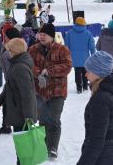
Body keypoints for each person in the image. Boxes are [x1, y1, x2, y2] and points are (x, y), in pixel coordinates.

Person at [29, 23, 72, 159]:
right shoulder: (33, 49)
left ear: (51, 36)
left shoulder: (62, 49)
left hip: (57, 91)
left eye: (44, 34)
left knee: (54, 119)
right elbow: (29, 64)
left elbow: (67, 66)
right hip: (39, 91)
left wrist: (49, 71)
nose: (41, 36)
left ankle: (53, 147)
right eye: (40, 34)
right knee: (42, 119)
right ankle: (44, 144)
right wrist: (38, 73)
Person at [77, 51, 113, 165]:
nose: (86, 75)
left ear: (98, 72)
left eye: (88, 71)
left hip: (103, 157)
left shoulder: (101, 99)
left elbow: (97, 140)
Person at [0, 38, 37, 165]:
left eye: (9, 50)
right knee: (22, 146)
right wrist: (0, 100)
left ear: (14, 51)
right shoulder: (17, 63)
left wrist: (28, 117)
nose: (7, 52)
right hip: (19, 111)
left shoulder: (20, 67)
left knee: (23, 147)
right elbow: (10, 86)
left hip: (22, 115)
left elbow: (27, 94)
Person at [0, 27, 21, 135]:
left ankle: (7, 126)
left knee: (9, 103)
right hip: (10, 80)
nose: (3, 38)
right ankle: (6, 125)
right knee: (6, 103)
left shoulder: (10, 52)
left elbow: (10, 69)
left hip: (12, 81)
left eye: (6, 37)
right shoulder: (8, 48)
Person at [65, 17, 96, 93]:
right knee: (85, 72)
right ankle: (85, 86)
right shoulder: (88, 33)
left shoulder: (69, 33)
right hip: (85, 57)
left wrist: (66, 57)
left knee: (77, 72)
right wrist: (93, 56)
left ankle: (79, 88)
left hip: (74, 58)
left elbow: (66, 47)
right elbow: (92, 46)